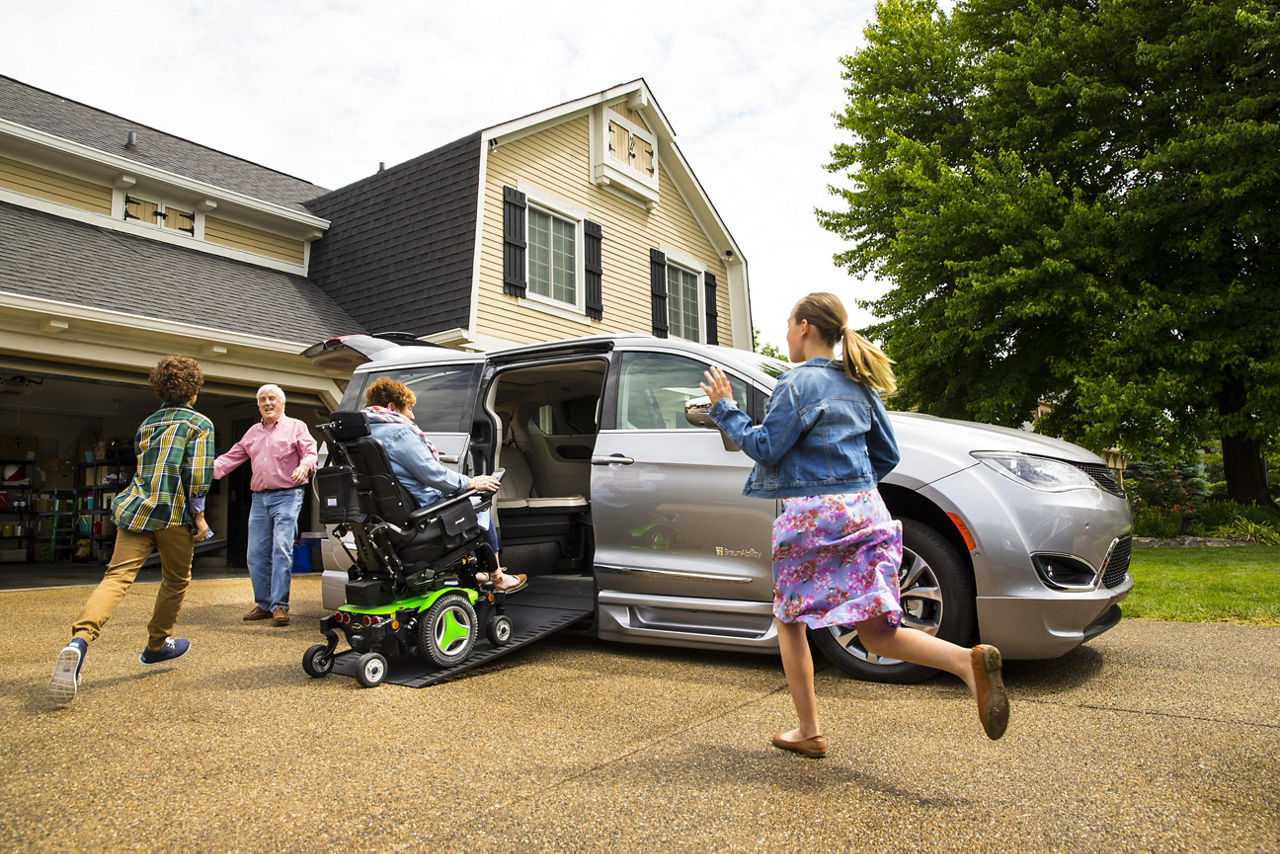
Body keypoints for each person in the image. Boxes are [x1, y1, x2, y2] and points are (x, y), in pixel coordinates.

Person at [700, 292, 1009, 757]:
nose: (786, 333)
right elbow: (887, 454)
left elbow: (765, 446)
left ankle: (808, 730)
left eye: (788, 324)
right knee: (876, 631)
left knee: (789, 621)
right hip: (866, 509)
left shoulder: (794, 384)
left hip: (812, 516)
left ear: (805, 327)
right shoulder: (858, 385)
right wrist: (850, 487)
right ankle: (967, 662)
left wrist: (724, 408)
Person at [48, 355, 214, 705]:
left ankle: (79, 640)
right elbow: (197, 476)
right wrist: (199, 516)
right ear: (195, 389)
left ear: (159, 387)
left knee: (116, 577)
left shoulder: (147, 425)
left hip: (136, 510)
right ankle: (157, 644)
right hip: (172, 513)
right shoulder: (200, 425)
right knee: (176, 579)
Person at [361, 377, 527, 593]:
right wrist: (471, 482)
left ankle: (472, 572)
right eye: (409, 409)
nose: (413, 416)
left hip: (388, 515)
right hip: (422, 508)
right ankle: (497, 576)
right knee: (479, 503)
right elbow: (434, 474)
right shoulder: (398, 432)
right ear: (392, 407)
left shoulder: (364, 434)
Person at [214, 384, 318, 626]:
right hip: (259, 499)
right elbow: (231, 457)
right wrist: (202, 471)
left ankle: (280, 605)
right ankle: (263, 604)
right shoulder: (252, 432)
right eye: (262, 400)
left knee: (281, 549)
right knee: (256, 554)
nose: (267, 403)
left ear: (282, 403)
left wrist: (304, 467)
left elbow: (310, 453)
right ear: (258, 405)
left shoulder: (296, 427)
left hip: (288, 496)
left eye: (272, 398)